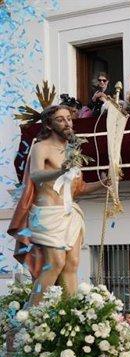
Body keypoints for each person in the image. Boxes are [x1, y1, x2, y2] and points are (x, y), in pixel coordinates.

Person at [8, 106, 110, 304]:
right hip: (47, 214)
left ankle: (69, 315)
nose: (67, 123)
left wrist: (103, 184)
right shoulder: (41, 146)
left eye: (69, 119)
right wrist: (59, 171)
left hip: (69, 213)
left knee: (71, 264)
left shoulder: (72, 152)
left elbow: (78, 188)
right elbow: (36, 174)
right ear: (49, 124)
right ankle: (31, 314)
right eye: (60, 119)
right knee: (54, 264)